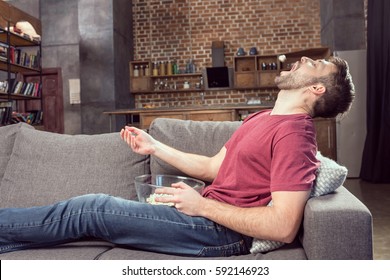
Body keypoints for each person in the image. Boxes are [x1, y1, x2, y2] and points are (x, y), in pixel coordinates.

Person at [0, 56, 354, 257]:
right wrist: (155, 147)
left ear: (317, 88)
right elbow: (214, 167)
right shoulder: (263, 118)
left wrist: (201, 206)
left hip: (219, 233)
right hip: (205, 219)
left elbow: (282, 225)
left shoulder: (296, 135)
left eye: (316, 64)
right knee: (86, 218)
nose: (304, 59)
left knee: (91, 209)